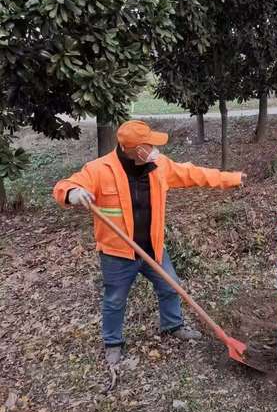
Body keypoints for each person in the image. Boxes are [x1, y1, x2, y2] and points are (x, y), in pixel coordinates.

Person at [53, 120, 245, 365]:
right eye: (149, 145)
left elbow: (194, 174)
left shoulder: (159, 166)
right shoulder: (99, 170)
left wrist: (232, 178)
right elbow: (63, 186)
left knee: (171, 286)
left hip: (153, 247)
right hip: (118, 252)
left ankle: (172, 325)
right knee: (115, 299)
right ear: (133, 149)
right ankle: (113, 342)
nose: (155, 149)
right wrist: (73, 193)